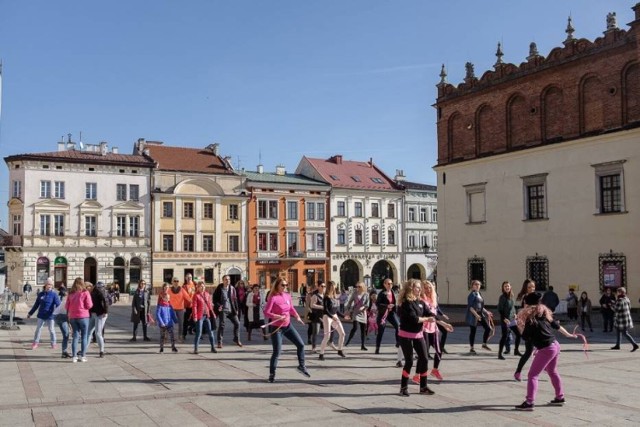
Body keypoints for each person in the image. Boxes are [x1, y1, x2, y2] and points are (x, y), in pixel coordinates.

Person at [514, 292, 580, 411]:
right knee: (552, 371)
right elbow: (557, 326)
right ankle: (560, 397)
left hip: (547, 349)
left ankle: (529, 402)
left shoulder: (530, 320)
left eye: (524, 303)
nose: (523, 305)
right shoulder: (543, 314)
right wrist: (569, 335)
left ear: (528, 305)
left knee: (532, 375)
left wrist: (518, 325)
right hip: (555, 345)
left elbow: (525, 337)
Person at [263, 278, 310, 383]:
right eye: (282, 285)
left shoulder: (287, 295)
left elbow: (291, 308)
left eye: (286, 285)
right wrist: (277, 316)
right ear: (277, 286)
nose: (284, 287)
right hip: (277, 328)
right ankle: (272, 374)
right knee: (277, 351)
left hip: (287, 325)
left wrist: (297, 317)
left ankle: (301, 366)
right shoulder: (273, 298)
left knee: (301, 345)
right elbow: (266, 312)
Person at [398, 279, 435, 396]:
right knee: (409, 361)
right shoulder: (406, 303)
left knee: (424, 358)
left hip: (418, 335)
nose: (420, 290)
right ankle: (403, 387)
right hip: (406, 335)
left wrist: (444, 323)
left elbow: (430, 313)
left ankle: (423, 387)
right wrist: (427, 319)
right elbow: (415, 319)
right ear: (411, 288)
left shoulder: (421, 302)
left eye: (420, 288)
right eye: (417, 287)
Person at [421, 280, 453, 381]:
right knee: (424, 355)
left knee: (439, 351)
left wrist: (444, 323)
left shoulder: (433, 299)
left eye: (429, 287)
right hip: (424, 329)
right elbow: (431, 315)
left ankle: (435, 369)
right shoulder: (422, 300)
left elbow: (435, 313)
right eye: (425, 287)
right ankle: (419, 374)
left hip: (433, 329)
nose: (428, 289)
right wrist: (444, 324)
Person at [27, 277, 60, 350]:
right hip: (41, 315)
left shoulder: (54, 294)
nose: (49, 286)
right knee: (38, 329)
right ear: (45, 285)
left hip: (50, 315)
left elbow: (58, 305)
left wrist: (60, 313)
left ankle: (53, 343)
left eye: (50, 285)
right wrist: (30, 313)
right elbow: (36, 305)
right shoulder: (41, 294)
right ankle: (35, 343)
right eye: (48, 284)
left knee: (51, 330)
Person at [65, 278, 93, 362]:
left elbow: (66, 306)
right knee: (84, 336)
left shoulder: (70, 293)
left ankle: (74, 357)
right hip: (83, 316)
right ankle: (83, 356)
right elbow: (89, 305)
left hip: (73, 316)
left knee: (75, 337)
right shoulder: (85, 292)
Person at [513, 278, 536, 381]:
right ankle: (518, 372)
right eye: (529, 287)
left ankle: (546, 367)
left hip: (537, 327)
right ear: (525, 288)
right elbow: (526, 313)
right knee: (528, 351)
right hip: (528, 328)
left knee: (545, 348)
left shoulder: (535, 297)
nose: (532, 289)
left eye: (533, 287)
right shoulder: (526, 298)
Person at [318, 281, 347, 360]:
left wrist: (343, 316)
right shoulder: (326, 297)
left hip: (334, 315)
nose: (334, 288)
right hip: (327, 316)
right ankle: (321, 354)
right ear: (330, 287)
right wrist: (332, 317)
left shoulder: (334, 297)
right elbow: (326, 310)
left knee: (342, 333)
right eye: (333, 286)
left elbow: (336, 310)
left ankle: (340, 350)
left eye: (334, 286)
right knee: (327, 336)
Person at [213, 275, 242, 348]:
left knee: (237, 323)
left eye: (229, 279)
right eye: (226, 279)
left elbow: (235, 299)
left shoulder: (232, 288)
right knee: (222, 325)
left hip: (231, 310)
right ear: (223, 280)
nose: (227, 280)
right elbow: (215, 299)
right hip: (223, 310)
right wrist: (218, 305)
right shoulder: (219, 288)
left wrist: (237, 309)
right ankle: (220, 342)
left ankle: (236, 339)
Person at [465, 280, 493, 354]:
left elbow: (480, 306)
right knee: (473, 331)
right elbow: (470, 307)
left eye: (479, 284)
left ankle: (484, 344)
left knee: (488, 328)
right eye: (476, 284)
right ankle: (471, 348)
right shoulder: (472, 295)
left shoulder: (479, 293)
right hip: (473, 315)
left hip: (480, 314)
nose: (477, 286)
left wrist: (487, 312)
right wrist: (476, 315)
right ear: (472, 286)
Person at [191, 281, 217, 354]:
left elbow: (210, 305)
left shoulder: (207, 294)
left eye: (203, 286)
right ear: (198, 287)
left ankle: (213, 348)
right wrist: (195, 316)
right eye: (200, 286)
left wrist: (213, 313)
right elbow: (194, 307)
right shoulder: (196, 295)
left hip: (207, 316)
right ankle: (196, 349)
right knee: (198, 333)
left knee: (210, 332)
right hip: (200, 316)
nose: (202, 288)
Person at [375, 278, 400, 355]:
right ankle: (377, 348)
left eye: (391, 283)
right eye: (388, 284)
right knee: (381, 331)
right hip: (383, 314)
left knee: (398, 326)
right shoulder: (382, 293)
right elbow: (377, 304)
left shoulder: (393, 292)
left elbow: (395, 302)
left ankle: (397, 342)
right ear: (384, 284)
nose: (390, 285)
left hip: (391, 313)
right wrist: (387, 305)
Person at [610, 287, 639, 352]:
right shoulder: (626, 299)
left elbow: (616, 309)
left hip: (621, 319)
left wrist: (611, 305)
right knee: (618, 331)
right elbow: (629, 307)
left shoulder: (620, 300)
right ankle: (617, 345)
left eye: (617, 292)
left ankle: (635, 345)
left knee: (624, 333)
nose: (616, 293)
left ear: (620, 292)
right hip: (626, 318)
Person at [344, 281, 369, 351]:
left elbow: (368, 304)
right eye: (356, 286)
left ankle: (363, 345)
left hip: (363, 313)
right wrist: (347, 309)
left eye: (359, 286)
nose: (357, 288)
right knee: (355, 327)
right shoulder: (355, 293)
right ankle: (348, 341)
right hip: (355, 312)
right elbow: (350, 302)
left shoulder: (366, 294)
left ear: (363, 287)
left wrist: (363, 307)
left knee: (363, 330)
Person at [156, 283, 179, 353]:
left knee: (172, 335)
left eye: (168, 298)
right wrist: (161, 322)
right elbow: (158, 314)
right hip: (163, 324)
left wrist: (176, 320)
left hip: (169, 323)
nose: (168, 299)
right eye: (166, 298)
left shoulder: (170, 306)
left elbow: (172, 314)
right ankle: (161, 348)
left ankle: (173, 347)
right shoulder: (160, 306)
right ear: (163, 298)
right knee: (162, 337)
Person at [88, 281, 109, 357]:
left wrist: (105, 311)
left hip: (100, 314)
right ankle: (84, 350)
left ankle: (101, 351)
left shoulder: (100, 291)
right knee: (89, 332)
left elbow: (105, 301)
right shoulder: (92, 292)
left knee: (98, 333)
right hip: (93, 313)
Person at [168, 277, 191, 343]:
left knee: (181, 324)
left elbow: (188, 298)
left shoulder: (182, 290)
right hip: (171, 309)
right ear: (172, 282)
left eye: (177, 281)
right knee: (170, 323)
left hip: (180, 309)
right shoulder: (169, 290)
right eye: (174, 281)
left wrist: (193, 303)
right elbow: (165, 298)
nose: (176, 282)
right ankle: (170, 337)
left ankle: (180, 337)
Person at [497, 281, 516, 360]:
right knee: (504, 336)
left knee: (518, 334)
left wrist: (515, 313)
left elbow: (513, 307)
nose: (507, 287)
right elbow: (500, 310)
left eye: (508, 286)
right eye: (505, 286)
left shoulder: (511, 296)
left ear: (510, 287)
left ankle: (516, 350)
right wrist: (504, 318)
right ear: (503, 288)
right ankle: (499, 354)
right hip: (505, 319)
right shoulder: (502, 297)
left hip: (512, 319)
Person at [53, 286, 70, 358]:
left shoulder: (68, 299)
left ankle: (64, 352)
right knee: (66, 335)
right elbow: (69, 315)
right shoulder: (68, 300)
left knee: (66, 335)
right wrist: (71, 326)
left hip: (58, 315)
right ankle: (64, 352)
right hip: (60, 316)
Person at [308, 281, 325, 351]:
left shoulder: (325, 296)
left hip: (324, 316)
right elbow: (312, 305)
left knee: (327, 331)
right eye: (322, 286)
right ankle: (314, 347)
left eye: (324, 286)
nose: (324, 288)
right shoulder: (315, 296)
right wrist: (321, 307)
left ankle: (326, 344)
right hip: (316, 316)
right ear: (318, 287)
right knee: (316, 331)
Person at [182, 274, 197, 340]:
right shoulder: (184, 286)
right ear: (185, 278)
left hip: (195, 305)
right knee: (186, 321)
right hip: (187, 306)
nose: (189, 278)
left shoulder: (195, 285)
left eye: (190, 277)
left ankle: (192, 330)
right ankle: (184, 334)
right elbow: (183, 297)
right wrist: (183, 307)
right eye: (188, 277)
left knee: (196, 319)